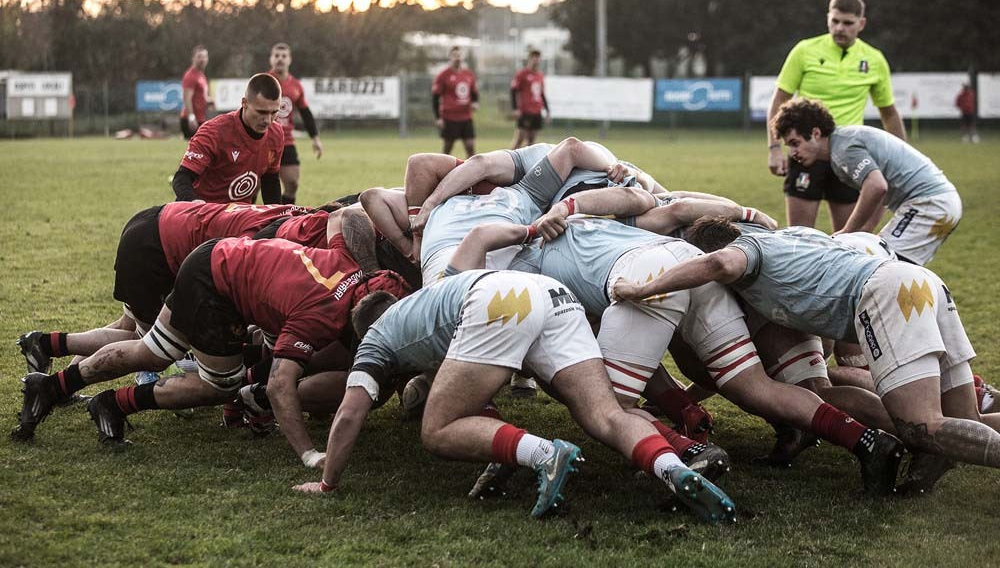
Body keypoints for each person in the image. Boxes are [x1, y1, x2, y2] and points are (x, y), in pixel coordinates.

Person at [292, 265, 737, 523]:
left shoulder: (375, 338)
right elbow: (475, 385)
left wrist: (328, 481)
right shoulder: (422, 307)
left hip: (498, 301)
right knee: (605, 414)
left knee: (438, 428)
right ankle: (672, 469)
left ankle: (545, 454)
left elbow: (350, 413)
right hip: (550, 292)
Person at [613, 218, 1000, 491]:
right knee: (966, 417)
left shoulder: (743, 252)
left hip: (886, 293)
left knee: (922, 425)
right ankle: (935, 450)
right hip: (922, 282)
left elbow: (718, 263)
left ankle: (929, 446)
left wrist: (643, 289)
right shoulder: (788, 237)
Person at [14, 219, 410, 467]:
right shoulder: (319, 316)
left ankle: (54, 386)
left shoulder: (357, 270)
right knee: (221, 384)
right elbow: (280, 384)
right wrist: (308, 453)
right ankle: (115, 403)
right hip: (217, 288)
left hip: (215, 257)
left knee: (153, 351)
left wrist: (367, 267)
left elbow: (348, 215)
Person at [15, 201, 311, 374]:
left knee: (128, 326)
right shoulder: (280, 240)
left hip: (155, 224)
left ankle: (57, 368)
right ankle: (46, 347)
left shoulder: (299, 215)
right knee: (153, 344)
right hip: (157, 252)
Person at [766, 0, 906, 231]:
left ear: (861, 24)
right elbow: (780, 100)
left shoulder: (874, 60)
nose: (840, 28)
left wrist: (899, 158)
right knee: (799, 237)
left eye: (848, 23)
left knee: (847, 240)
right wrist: (774, 148)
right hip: (806, 149)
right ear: (828, 19)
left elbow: (889, 113)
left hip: (850, 154)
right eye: (835, 21)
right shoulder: (805, 50)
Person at [773, 98, 961, 265]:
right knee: (883, 263)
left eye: (795, 143)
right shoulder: (841, 145)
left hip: (929, 204)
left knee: (885, 268)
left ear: (815, 133)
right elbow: (879, 191)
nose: (793, 153)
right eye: (789, 146)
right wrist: (864, 231)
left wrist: (847, 231)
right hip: (938, 203)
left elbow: (876, 186)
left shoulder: (843, 148)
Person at [171, 73, 285, 205]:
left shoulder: (276, 133)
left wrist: (278, 215)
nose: (268, 120)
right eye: (261, 112)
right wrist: (194, 202)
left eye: (274, 112)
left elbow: (270, 181)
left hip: (237, 214)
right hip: (203, 212)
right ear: (244, 103)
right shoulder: (214, 131)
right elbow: (182, 178)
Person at [268, 43, 323, 203]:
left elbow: (305, 113)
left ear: (289, 59)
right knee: (254, 186)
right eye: (276, 55)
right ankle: (247, 216)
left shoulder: (296, 86)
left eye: (283, 56)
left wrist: (315, 138)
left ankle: (283, 215)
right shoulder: (264, 81)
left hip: (286, 141)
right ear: (271, 59)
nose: (280, 59)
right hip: (263, 141)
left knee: (292, 184)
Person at [432, 46, 478, 158]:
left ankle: (472, 169)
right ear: (450, 57)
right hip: (450, 117)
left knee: (470, 146)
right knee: (447, 148)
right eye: (455, 55)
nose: (457, 58)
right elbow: (435, 96)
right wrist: (438, 117)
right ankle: (442, 168)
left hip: (466, 117)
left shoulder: (468, 74)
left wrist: (475, 102)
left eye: (459, 55)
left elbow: (474, 92)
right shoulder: (443, 75)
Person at [510, 49, 551, 149]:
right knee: (520, 139)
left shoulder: (540, 75)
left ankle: (526, 159)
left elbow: (541, 94)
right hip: (525, 111)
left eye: (538, 58)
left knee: (531, 141)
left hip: (537, 111)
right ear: (530, 59)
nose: (536, 60)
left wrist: (547, 111)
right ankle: (510, 158)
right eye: (534, 57)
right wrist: (515, 108)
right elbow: (513, 90)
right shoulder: (522, 74)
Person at [180, 45, 213, 139]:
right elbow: (187, 98)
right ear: (193, 58)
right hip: (192, 119)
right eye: (199, 56)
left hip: (200, 118)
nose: (202, 59)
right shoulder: (190, 76)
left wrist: (209, 101)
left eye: (205, 56)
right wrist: (191, 117)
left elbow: (201, 97)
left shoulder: (201, 75)